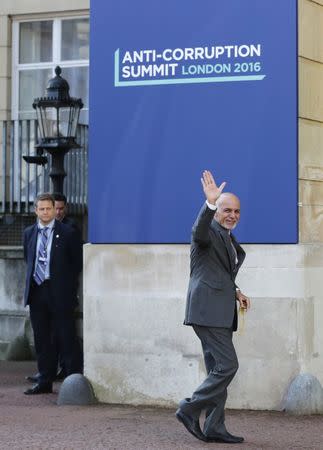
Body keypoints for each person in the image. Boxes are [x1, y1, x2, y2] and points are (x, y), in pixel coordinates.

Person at [176, 170, 250, 443]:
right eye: (226, 210)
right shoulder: (207, 232)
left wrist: (237, 292)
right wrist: (209, 204)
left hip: (217, 310)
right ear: (217, 211)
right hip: (208, 312)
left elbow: (218, 272)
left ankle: (214, 427)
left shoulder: (227, 236)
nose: (232, 215)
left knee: (218, 369)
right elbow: (199, 231)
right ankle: (189, 408)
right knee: (228, 366)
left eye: (236, 211)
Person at [23, 193, 83, 395]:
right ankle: (44, 380)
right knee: (42, 338)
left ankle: (74, 380)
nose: (46, 212)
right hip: (37, 291)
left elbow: (76, 263)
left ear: (54, 210)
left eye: (49, 208)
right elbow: (28, 259)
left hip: (60, 292)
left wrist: (68, 287)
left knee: (66, 335)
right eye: (41, 209)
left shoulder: (67, 232)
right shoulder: (29, 233)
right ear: (36, 211)